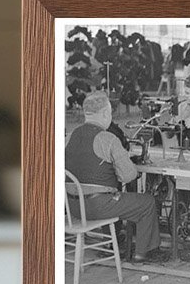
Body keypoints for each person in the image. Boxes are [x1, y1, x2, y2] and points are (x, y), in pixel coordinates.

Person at [64, 91, 162, 262]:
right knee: (147, 203)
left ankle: (115, 241)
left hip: (72, 206)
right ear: (104, 113)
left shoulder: (69, 137)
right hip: (98, 206)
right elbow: (129, 176)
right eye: (110, 113)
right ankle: (141, 254)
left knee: (109, 194)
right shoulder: (107, 138)